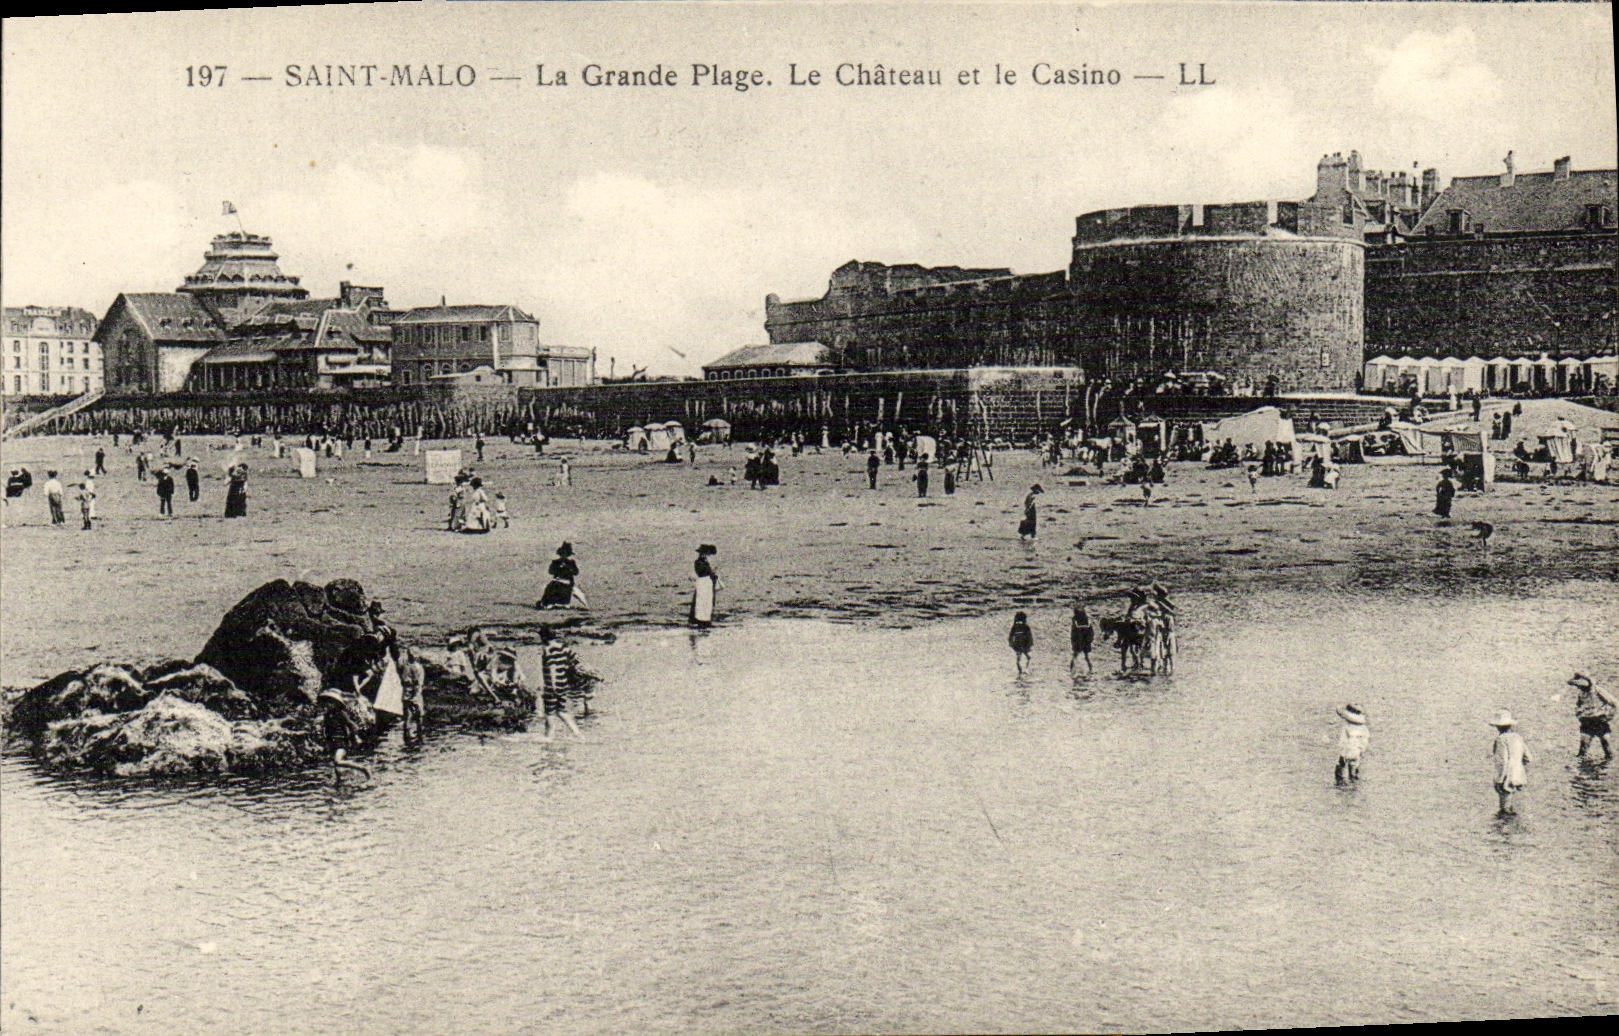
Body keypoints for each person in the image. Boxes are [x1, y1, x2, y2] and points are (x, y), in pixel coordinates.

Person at [538, 626, 584, 739]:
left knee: (549, 714)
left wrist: (552, 686)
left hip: (552, 686)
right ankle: (578, 734)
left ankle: (549, 738)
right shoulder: (564, 648)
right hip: (563, 684)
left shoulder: (547, 650)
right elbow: (576, 660)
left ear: (544, 638)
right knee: (561, 711)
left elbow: (552, 667)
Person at [1489, 710, 1532, 815]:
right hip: (1519, 775)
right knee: (1515, 805)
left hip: (1506, 776)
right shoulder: (1518, 738)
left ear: (1498, 727)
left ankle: (1503, 826)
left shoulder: (1501, 739)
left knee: (1504, 807)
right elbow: (1528, 758)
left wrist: (1499, 779)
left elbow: (1502, 761)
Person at [1570, 673, 1616, 761]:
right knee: (1583, 749)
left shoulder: (1598, 691)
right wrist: (1579, 715)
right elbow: (1578, 706)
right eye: (1578, 685)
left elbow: (1614, 703)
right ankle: (1583, 768)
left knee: (1606, 747)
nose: (1578, 687)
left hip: (1600, 721)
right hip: (1587, 722)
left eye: (1580, 685)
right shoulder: (1581, 693)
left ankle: (1607, 767)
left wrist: (1608, 716)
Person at [538, 542, 585, 608]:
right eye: (562, 554)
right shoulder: (555, 562)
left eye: (565, 554)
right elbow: (550, 571)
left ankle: (560, 603)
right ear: (560, 554)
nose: (563, 556)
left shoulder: (571, 563)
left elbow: (576, 572)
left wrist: (568, 569)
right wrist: (558, 569)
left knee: (574, 593)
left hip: (567, 583)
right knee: (551, 588)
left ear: (568, 555)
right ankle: (547, 603)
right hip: (557, 581)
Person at [1334, 704, 1370, 785]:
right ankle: (1354, 783)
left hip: (1348, 751)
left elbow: (1343, 742)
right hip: (1357, 751)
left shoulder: (1347, 727)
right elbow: (1365, 741)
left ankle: (1340, 783)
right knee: (1354, 768)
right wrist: (1361, 750)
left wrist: (1342, 753)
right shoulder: (1363, 728)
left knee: (1341, 767)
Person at [691, 544, 720, 627]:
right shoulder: (699, 562)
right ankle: (701, 619)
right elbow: (702, 572)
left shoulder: (702, 562)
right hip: (703, 583)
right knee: (702, 601)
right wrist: (712, 572)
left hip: (705, 583)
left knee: (705, 601)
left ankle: (703, 619)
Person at [1069, 604, 1094, 674]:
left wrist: (1073, 642)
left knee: (1075, 656)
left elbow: (1073, 633)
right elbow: (1091, 632)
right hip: (1084, 640)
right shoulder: (1087, 621)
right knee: (1085, 656)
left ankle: (1071, 670)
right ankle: (1090, 669)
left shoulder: (1075, 621)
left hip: (1079, 641)